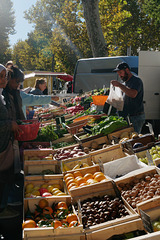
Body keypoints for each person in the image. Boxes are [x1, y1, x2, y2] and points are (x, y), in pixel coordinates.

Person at [0, 64, 20, 218]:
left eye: (5, 76)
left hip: (4, 143)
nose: (3, 80)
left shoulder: (2, 95)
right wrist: (9, 124)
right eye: (0, 76)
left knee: (5, 176)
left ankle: (4, 206)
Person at [111, 62, 145, 133]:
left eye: (120, 72)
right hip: (127, 116)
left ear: (127, 70)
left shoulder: (136, 81)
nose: (119, 75)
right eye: (118, 73)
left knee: (134, 138)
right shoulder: (124, 83)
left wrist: (119, 85)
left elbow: (133, 94)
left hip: (136, 116)